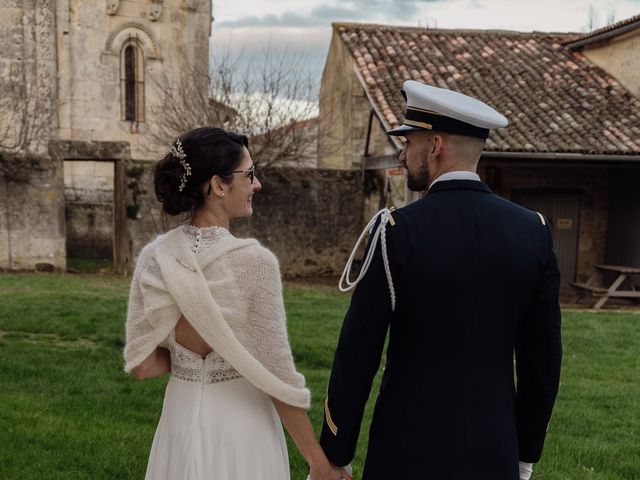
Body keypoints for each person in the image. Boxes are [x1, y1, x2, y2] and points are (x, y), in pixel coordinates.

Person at [320, 80, 563, 480]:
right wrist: (525, 454)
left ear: (434, 146)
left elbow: (358, 354)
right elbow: (542, 363)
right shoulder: (533, 231)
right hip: (494, 449)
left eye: (410, 142)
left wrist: (336, 451)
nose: (403, 152)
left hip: (405, 450)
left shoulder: (396, 230)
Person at [124, 127, 350, 480]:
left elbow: (141, 366)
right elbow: (275, 374)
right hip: (242, 429)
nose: (256, 185)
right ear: (218, 185)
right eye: (249, 175)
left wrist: (187, 361)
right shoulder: (254, 263)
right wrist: (319, 463)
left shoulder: (155, 257)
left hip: (178, 424)